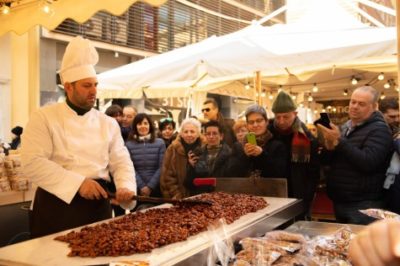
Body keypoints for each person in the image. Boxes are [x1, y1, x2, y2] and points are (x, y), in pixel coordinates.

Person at [21, 36, 137, 238]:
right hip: (55, 207)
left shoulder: (108, 123)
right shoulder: (44, 117)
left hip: (97, 207)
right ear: (68, 87)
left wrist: (125, 186)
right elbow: (32, 162)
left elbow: (121, 161)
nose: (94, 91)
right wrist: (78, 183)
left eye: (95, 85)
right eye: (86, 86)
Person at [318, 86, 393, 225]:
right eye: (353, 102)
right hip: (340, 200)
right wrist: (329, 147)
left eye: (361, 104)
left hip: (364, 204)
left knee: (360, 245)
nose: (355, 106)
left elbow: (368, 162)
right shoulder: (345, 127)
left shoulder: (380, 130)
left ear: (374, 106)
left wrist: (339, 140)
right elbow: (327, 162)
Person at [268, 91, 320, 219]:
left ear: (295, 114)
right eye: (278, 117)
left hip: (299, 192)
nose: (281, 121)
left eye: (286, 117)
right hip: (273, 192)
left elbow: (314, 171)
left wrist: (307, 197)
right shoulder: (268, 134)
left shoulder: (306, 137)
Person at [230, 104, 287, 178]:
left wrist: (261, 154)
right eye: (251, 122)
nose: (255, 125)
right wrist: (245, 156)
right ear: (247, 125)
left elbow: (279, 173)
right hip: (244, 189)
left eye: (259, 121)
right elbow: (231, 173)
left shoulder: (277, 145)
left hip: (268, 189)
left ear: (266, 122)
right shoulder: (238, 147)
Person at [160, 118, 205, 199]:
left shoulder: (206, 147)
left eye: (192, 131)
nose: (189, 134)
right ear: (181, 133)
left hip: (203, 195)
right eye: (186, 131)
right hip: (180, 197)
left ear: (198, 133)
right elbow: (167, 176)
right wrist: (177, 195)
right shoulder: (173, 149)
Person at [126, 113, 165, 201]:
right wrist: (142, 186)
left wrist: (150, 186)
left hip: (156, 188)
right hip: (136, 188)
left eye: (145, 123)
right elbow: (130, 168)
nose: (143, 126)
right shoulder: (128, 145)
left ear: (150, 125)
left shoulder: (160, 143)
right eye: (139, 124)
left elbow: (162, 167)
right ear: (135, 126)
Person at [186, 120, 232, 195]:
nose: (211, 136)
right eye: (208, 134)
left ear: (221, 136)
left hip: (222, 197)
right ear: (205, 136)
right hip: (201, 197)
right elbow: (188, 184)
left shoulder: (229, 154)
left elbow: (230, 181)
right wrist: (191, 167)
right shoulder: (197, 154)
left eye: (214, 133)